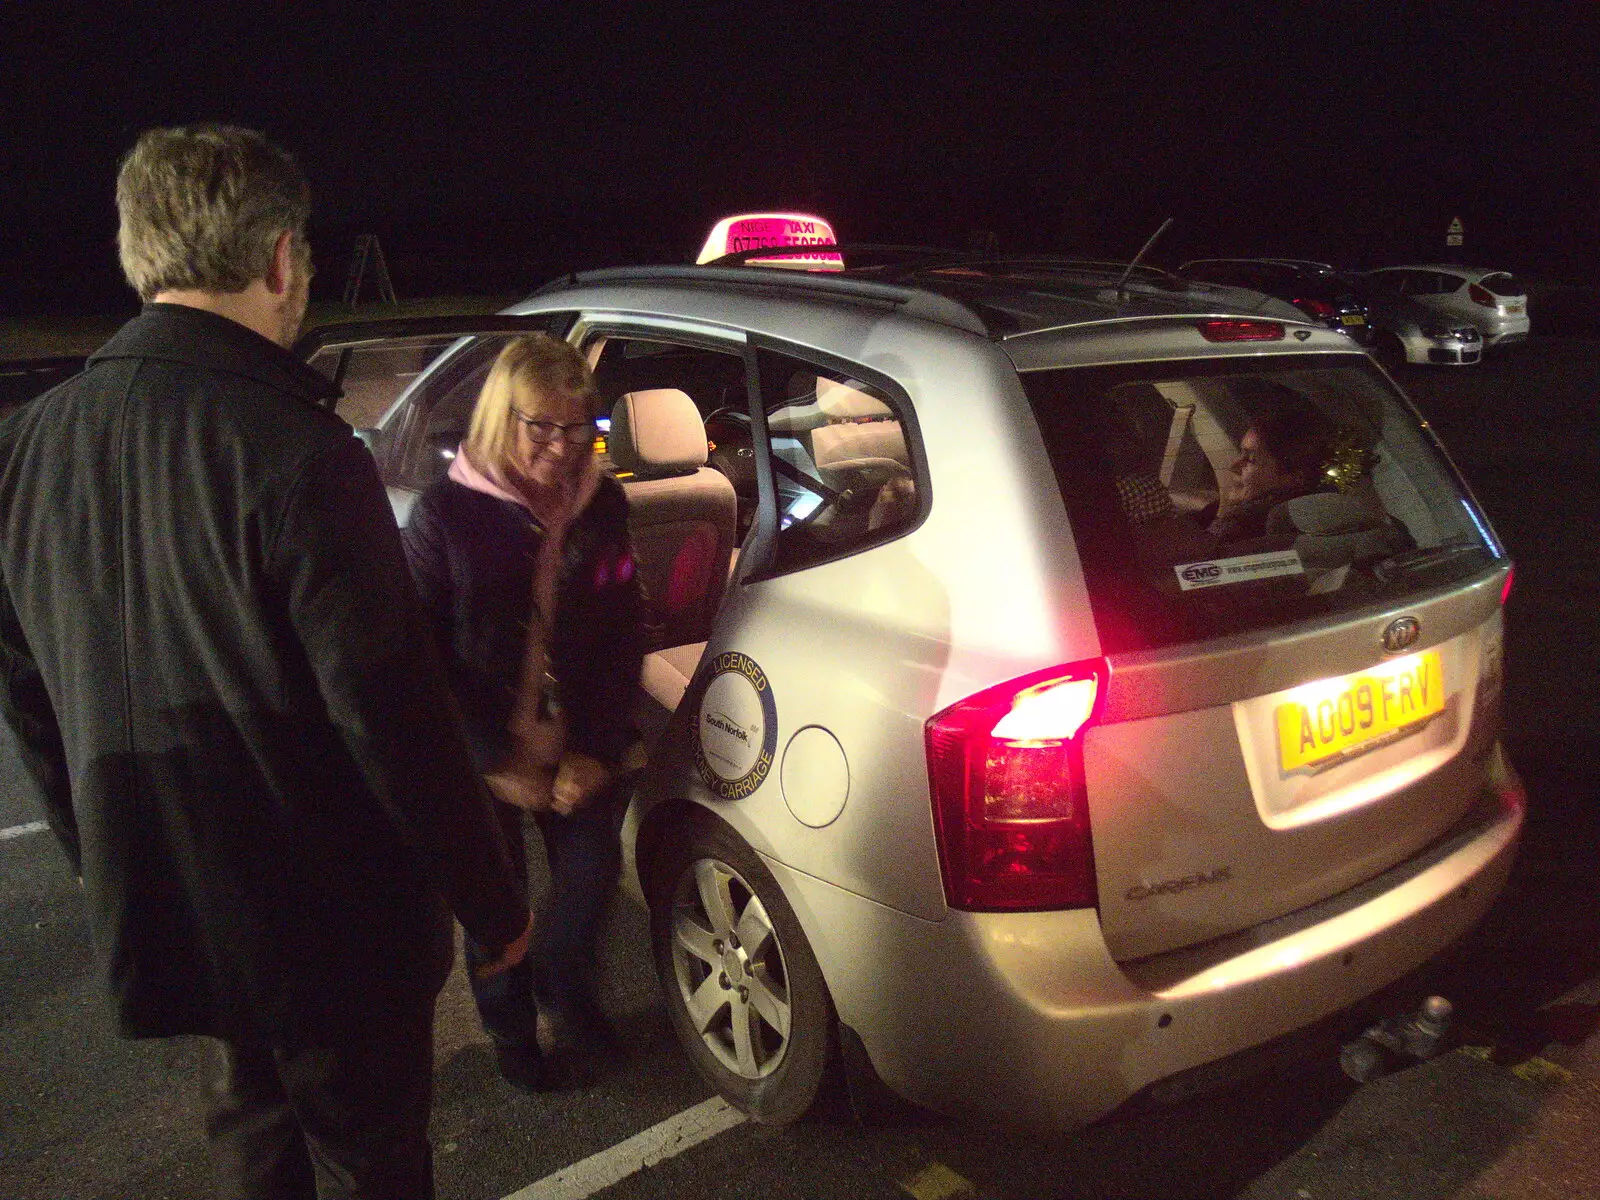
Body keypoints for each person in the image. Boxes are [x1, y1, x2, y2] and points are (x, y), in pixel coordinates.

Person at [0, 125, 533, 1200]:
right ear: (282, 258)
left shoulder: (28, 444)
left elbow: (34, 700)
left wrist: (103, 859)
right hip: (331, 931)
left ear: (135, 250)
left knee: (252, 1148)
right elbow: (392, 718)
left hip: (175, 905)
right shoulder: (298, 452)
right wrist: (494, 897)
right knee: (373, 1160)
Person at [402, 334, 645, 1091]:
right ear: (499, 417)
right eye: (541, 426)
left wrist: (596, 750)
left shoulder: (602, 504)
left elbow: (621, 631)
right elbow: (419, 658)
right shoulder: (445, 515)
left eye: (578, 430)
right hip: (483, 754)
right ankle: (514, 1038)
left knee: (589, 881)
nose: (561, 448)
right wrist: (490, 764)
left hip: (575, 742)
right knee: (495, 911)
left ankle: (568, 994)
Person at [1208, 386, 1338, 547]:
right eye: (1241, 453)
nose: (1233, 465)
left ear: (1294, 478)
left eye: (1251, 459)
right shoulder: (1317, 524)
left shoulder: (1236, 531)